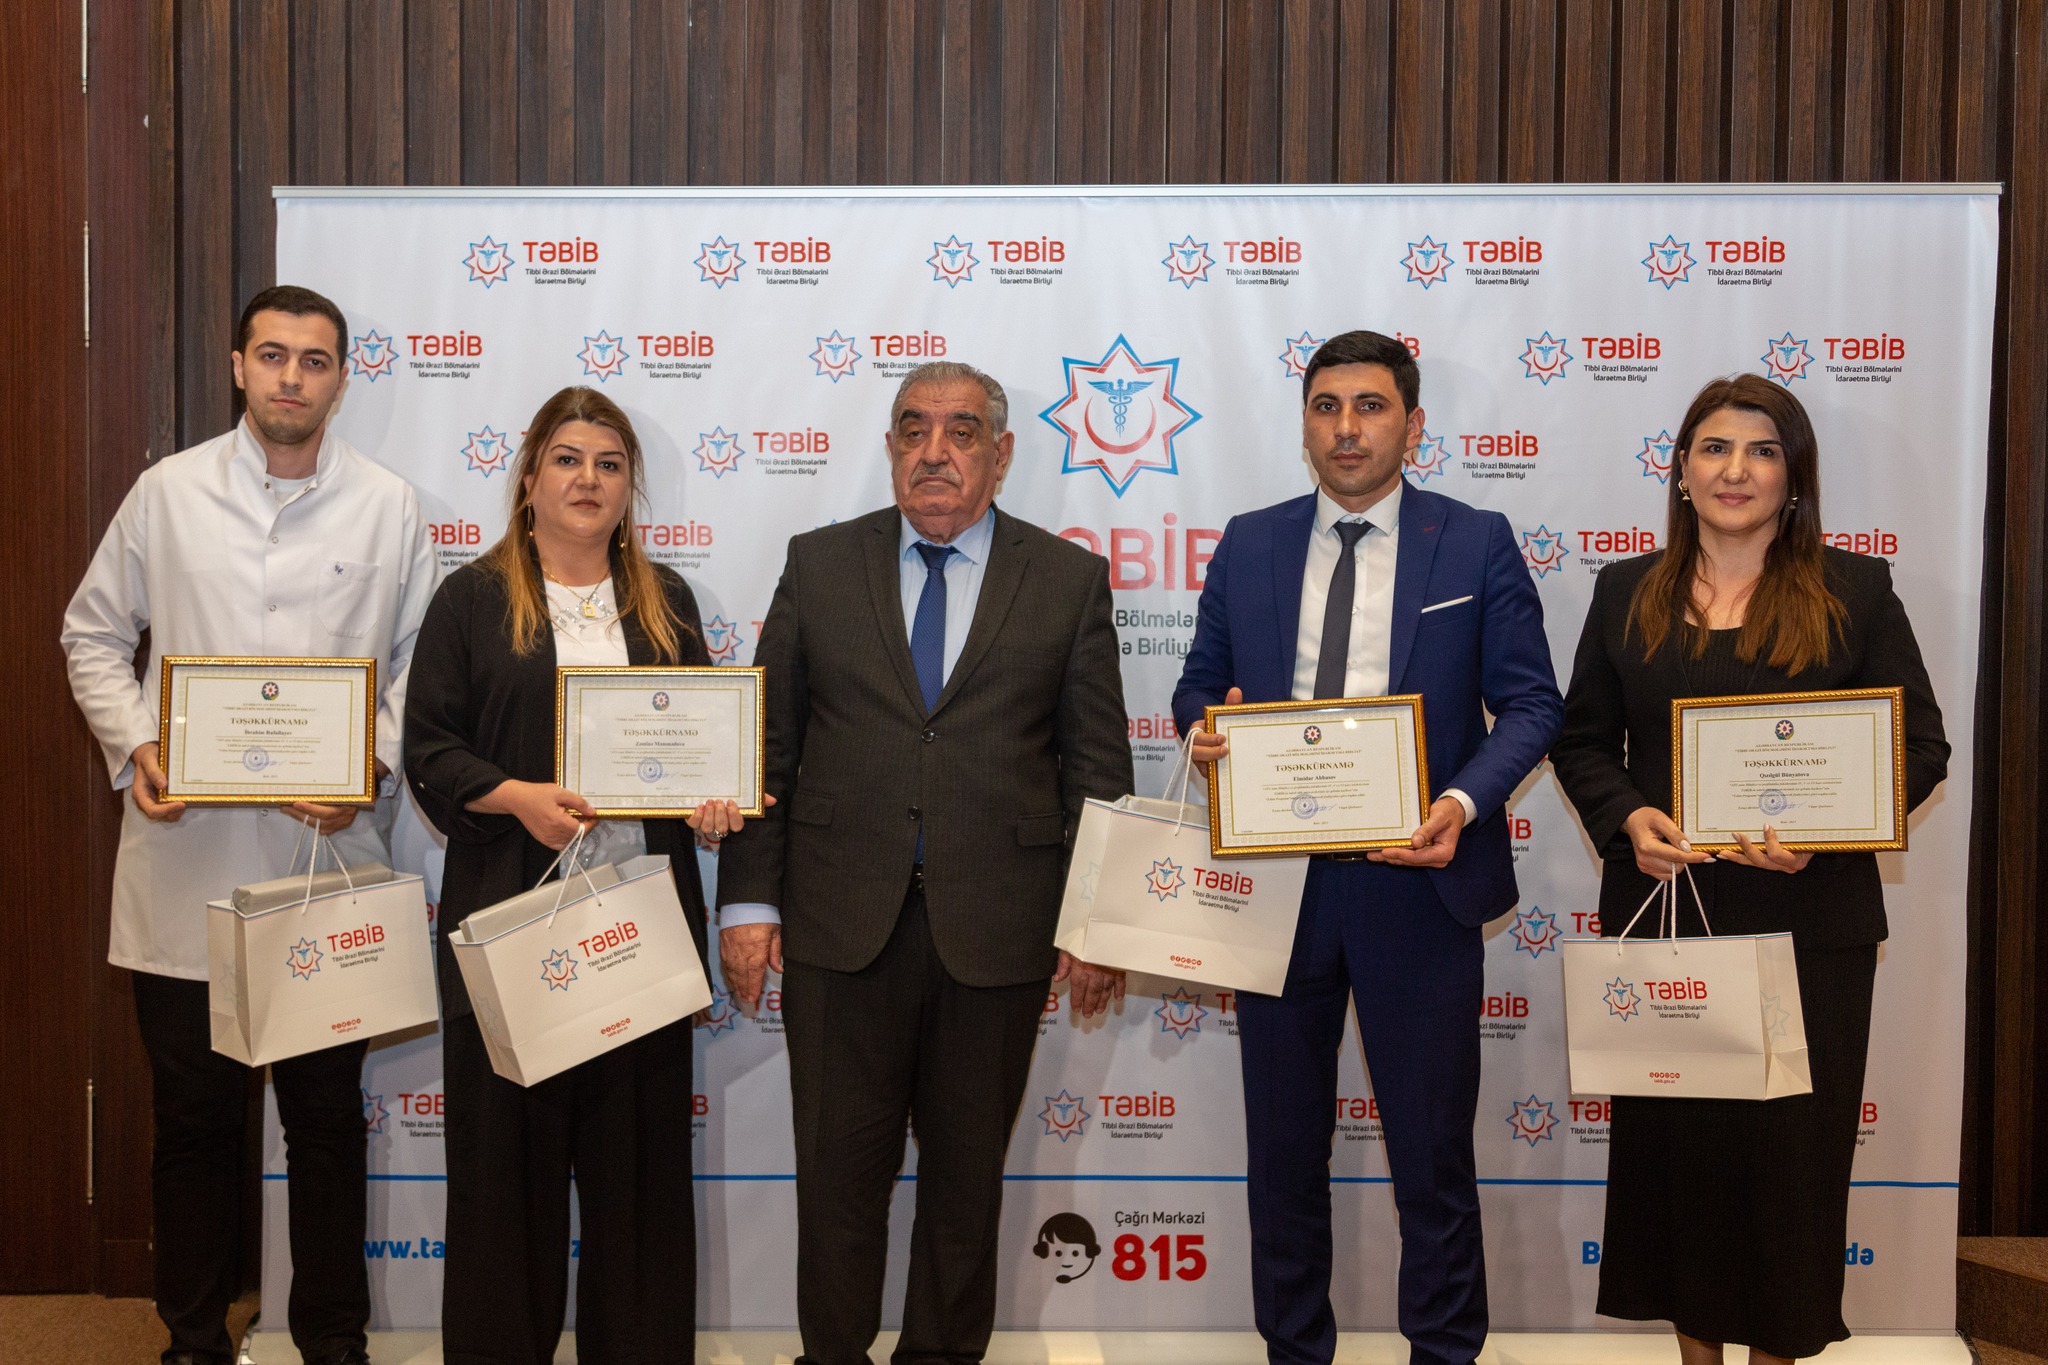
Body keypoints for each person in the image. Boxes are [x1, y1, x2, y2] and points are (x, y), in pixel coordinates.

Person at [715, 360, 1134, 1365]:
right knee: (836, 1180)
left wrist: (1095, 923)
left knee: (964, 1184)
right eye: (913, 429)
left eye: (960, 431)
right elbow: (766, 745)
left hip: (998, 930)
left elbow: (1096, 770)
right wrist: (747, 904)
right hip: (835, 927)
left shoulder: (1066, 579)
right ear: (891, 446)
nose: (934, 452)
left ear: (1001, 452)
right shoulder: (820, 564)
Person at [61, 285, 439, 1365]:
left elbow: (419, 667)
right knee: (193, 1122)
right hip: (189, 864)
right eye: (272, 356)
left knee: (324, 1121)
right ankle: (192, 1337)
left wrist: (370, 764)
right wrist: (140, 745)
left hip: (326, 863)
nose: (291, 378)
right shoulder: (167, 493)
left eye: (314, 361)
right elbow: (93, 634)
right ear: (237, 367)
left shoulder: (388, 507)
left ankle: (331, 1337)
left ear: (341, 378)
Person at [1173, 330, 1563, 1365]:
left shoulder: (1473, 541)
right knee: (1281, 1159)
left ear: (1412, 425)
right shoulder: (1249, 542)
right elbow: (1199, 683)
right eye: (1326, 406)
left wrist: (1461, 803)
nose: (1346, 428)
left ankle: (1443, 1352)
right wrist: (1204, 730)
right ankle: (1294, 1353)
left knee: (1431, 1161)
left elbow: (1530, 703)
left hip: (1419, 889)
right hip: (1276, 893)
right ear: (1305, 425)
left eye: (1370, 406)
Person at [1550, 374, 1948, 1365]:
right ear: (1681, 472)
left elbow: (1919, 748)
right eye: (1715, 448)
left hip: (1809, 930)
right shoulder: (1623, 590)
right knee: (1679, 1173)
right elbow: (1582, 741)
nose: (1736, 470)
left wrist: (1828, 831)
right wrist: (1626, 815)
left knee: (1790, 1176)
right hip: (1668, 922)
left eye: (1762, 451)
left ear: (1793, 478)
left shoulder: (1854, 589)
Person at [402, 386, 741, 1365]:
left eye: (608, 463)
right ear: (528, 479)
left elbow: (702, 746)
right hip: (514, 929)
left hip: (639, 932)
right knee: (504, 1185)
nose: (587, 479)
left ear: (629, 487)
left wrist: (713, 802)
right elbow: (429, 748)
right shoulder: (472, 598)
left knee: (638, 1190)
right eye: (567, 459)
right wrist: (516, 797)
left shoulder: (666, 602)